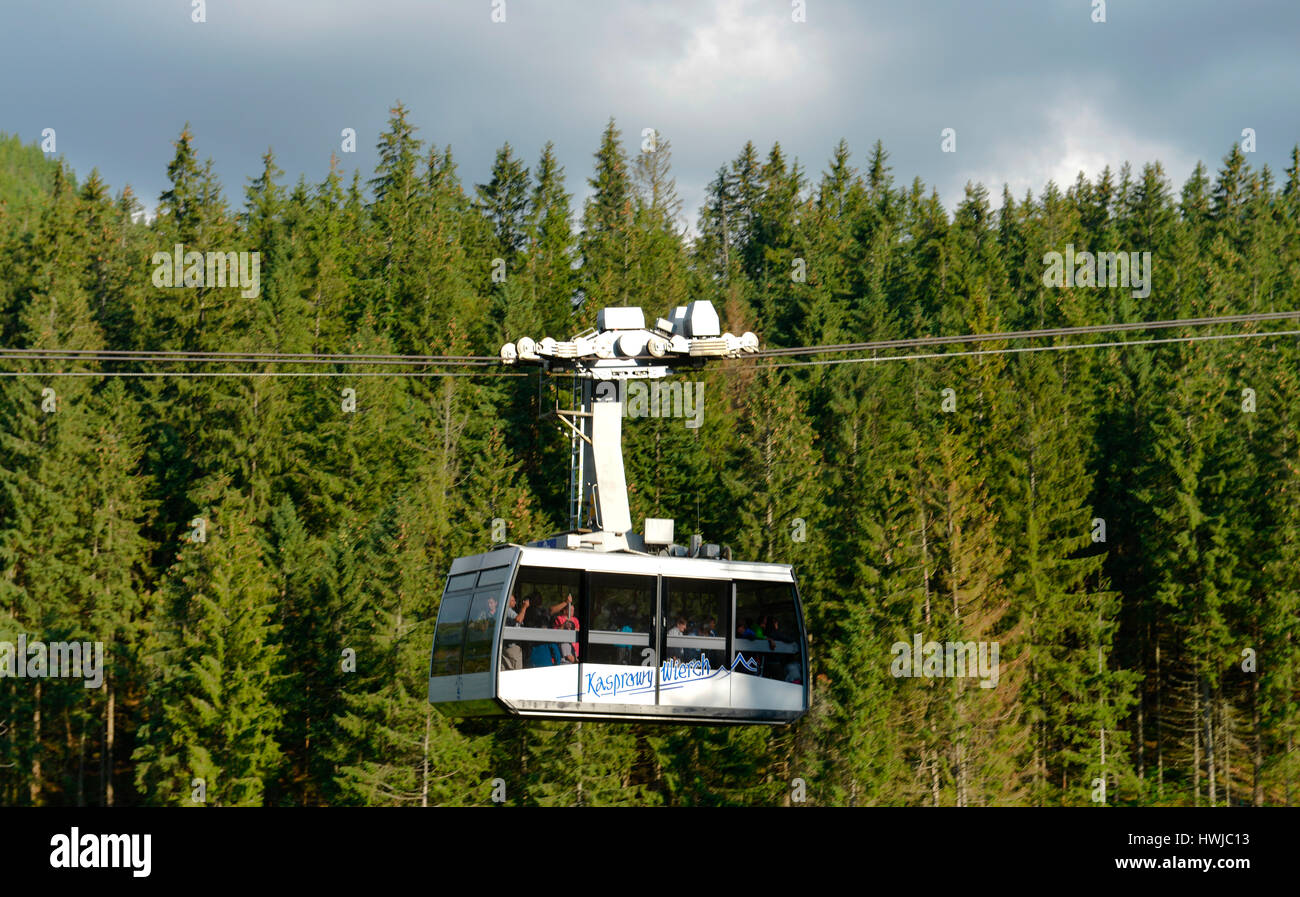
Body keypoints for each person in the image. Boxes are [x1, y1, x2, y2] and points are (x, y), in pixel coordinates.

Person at [552, 596, 580, 661]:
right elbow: (556, 631)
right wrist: (564, 626)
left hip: (574, 648)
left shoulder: (575, 620)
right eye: (571, 610)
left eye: (573, 610)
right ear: (565, 611)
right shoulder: (559, 618)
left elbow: (578, 630)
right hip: (565, 645)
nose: (572, 611)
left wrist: (573, 629)